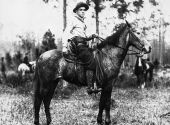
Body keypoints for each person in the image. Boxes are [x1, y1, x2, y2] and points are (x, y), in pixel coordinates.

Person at [60, 2, 100, 93]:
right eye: (80, 10)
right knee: (90, 59)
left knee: (96, 54)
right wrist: (64, 46)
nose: (83, 12)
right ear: (76, 11)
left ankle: (95, 82)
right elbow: (66, 32)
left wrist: (92, 36)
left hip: (83, 43)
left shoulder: (82, 22)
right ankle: (89, 87)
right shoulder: (73, 20)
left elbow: (84, 36)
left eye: (84, 10)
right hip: (77, 44)